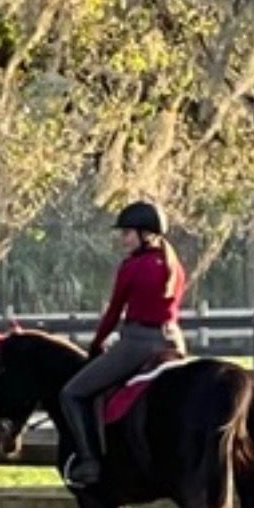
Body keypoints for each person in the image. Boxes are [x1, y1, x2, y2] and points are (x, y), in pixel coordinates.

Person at [59, 202, 186, 488]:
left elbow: (115, 311)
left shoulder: (132, 267)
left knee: (73, 393)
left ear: (146, 234)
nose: (123, 239)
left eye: (128, 233)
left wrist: (96, 343)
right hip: (172, 341)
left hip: (139, 343)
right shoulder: (174, 266)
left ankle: (89, 462)